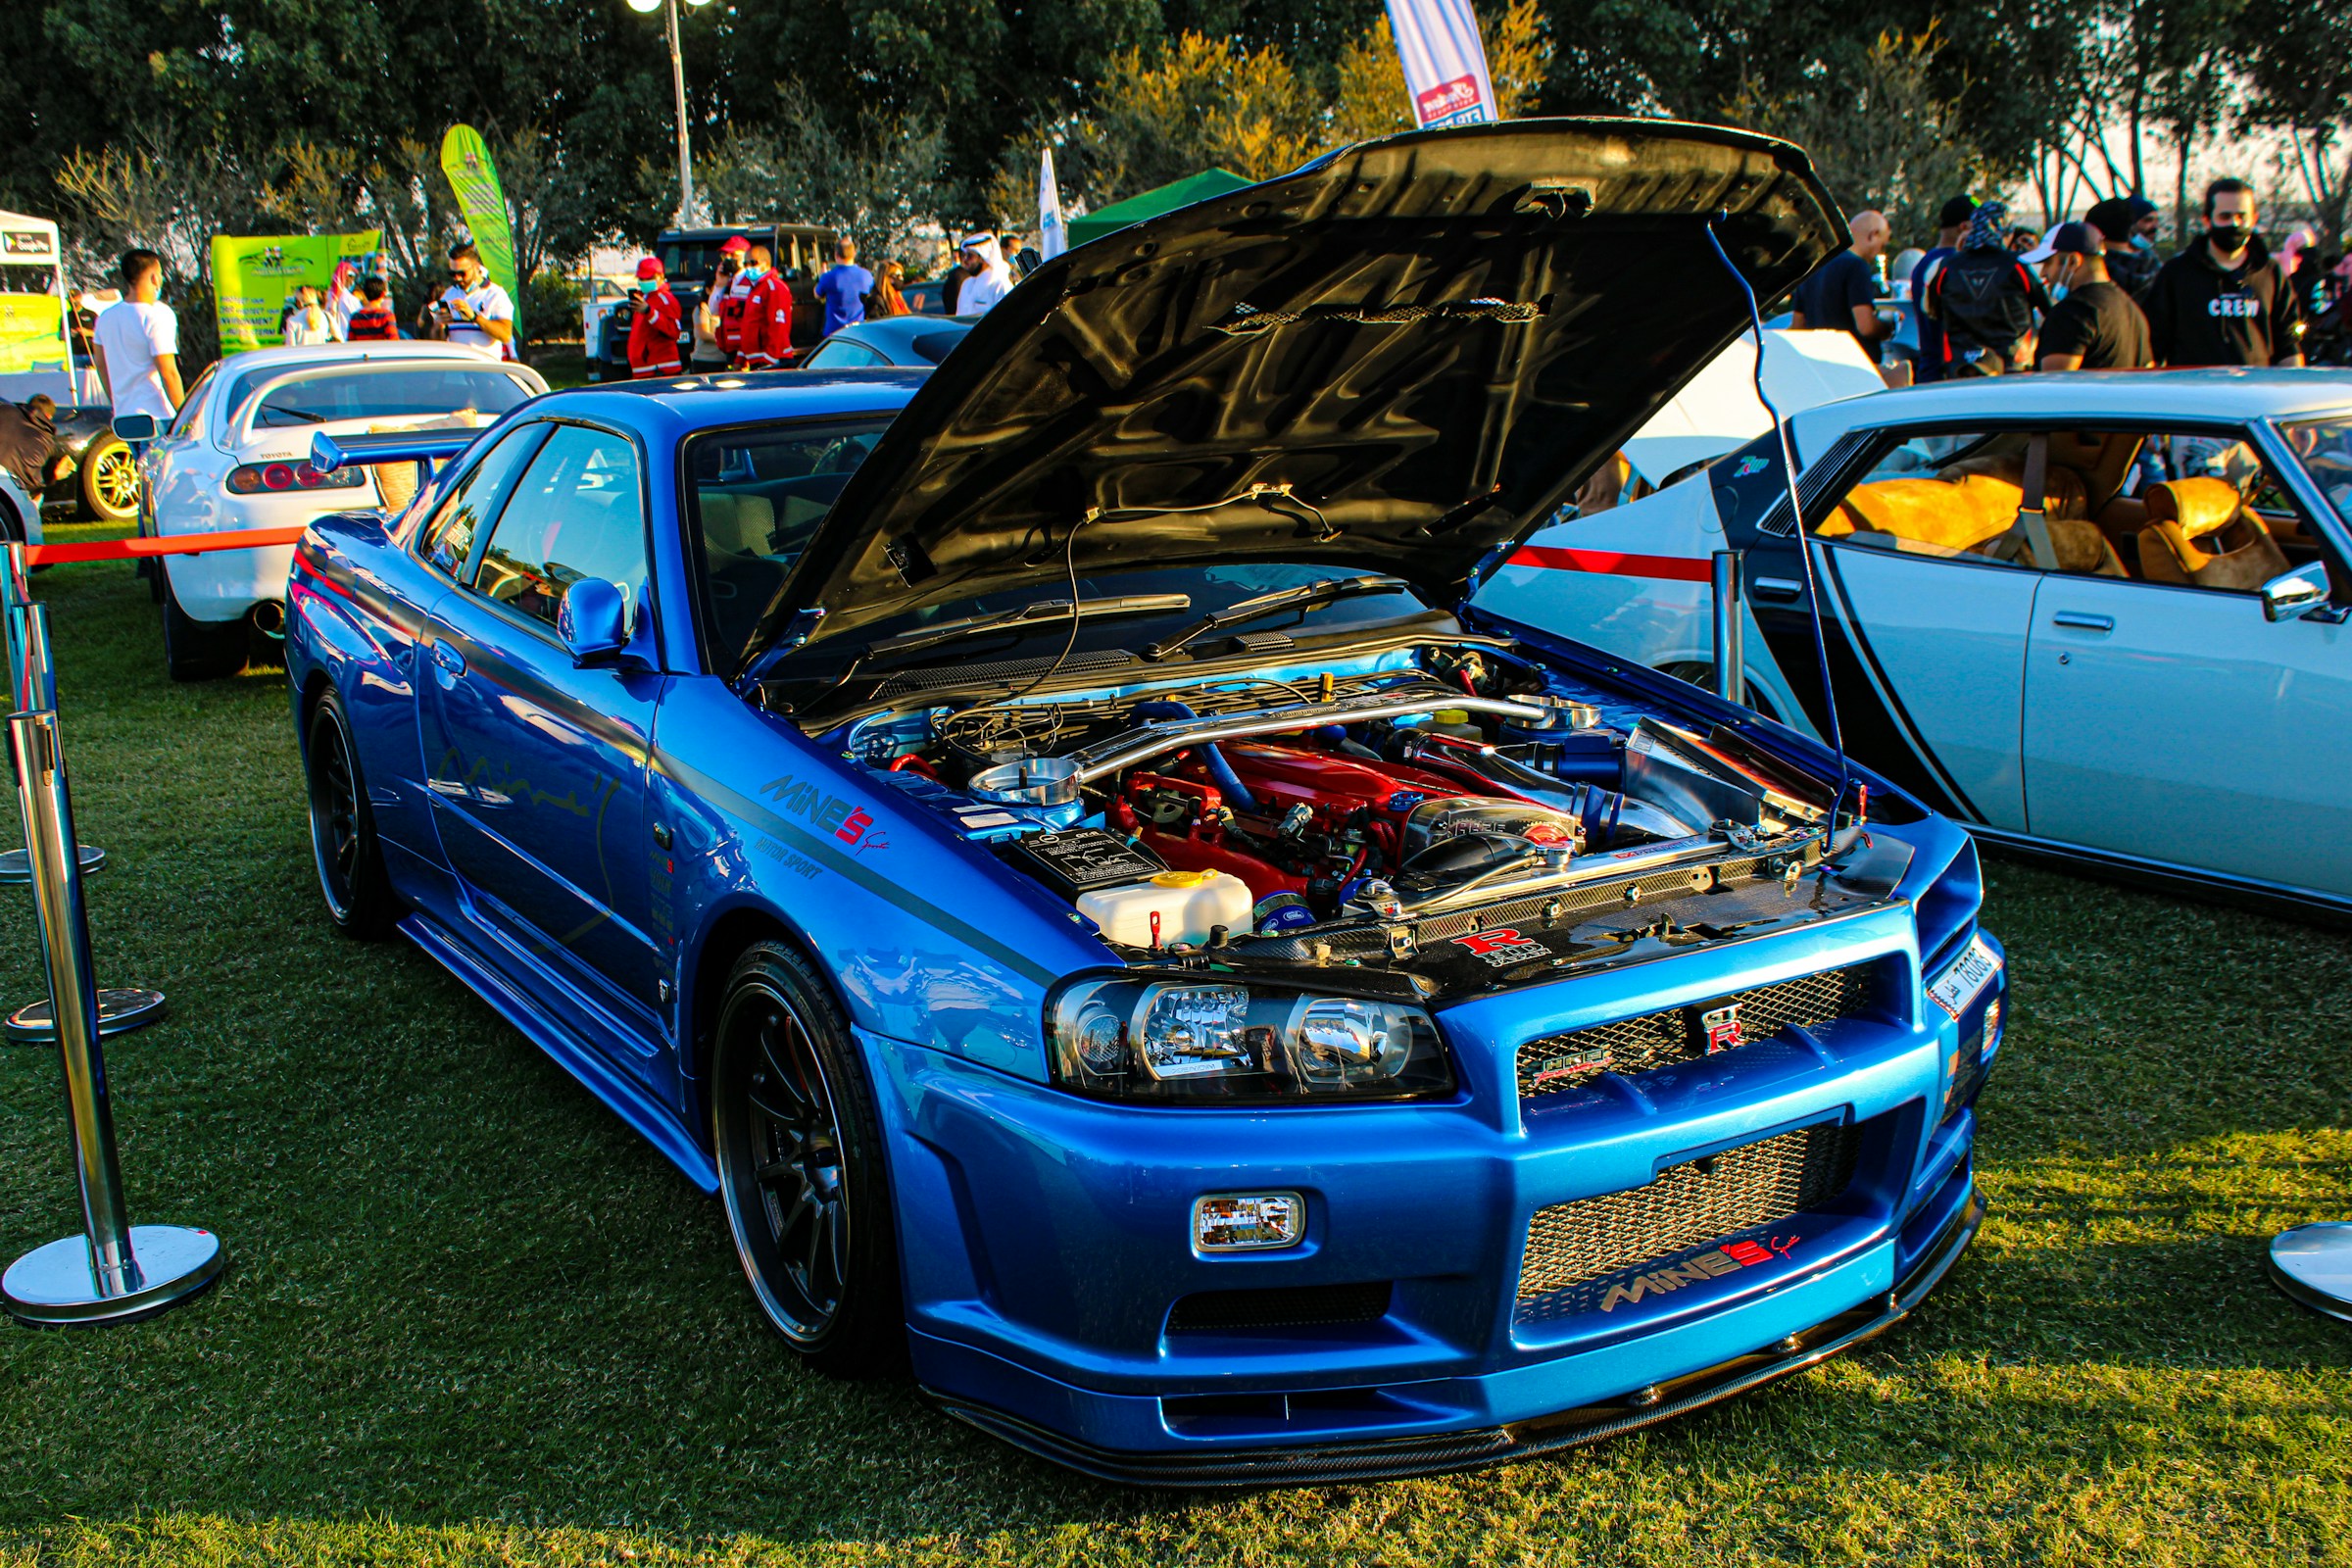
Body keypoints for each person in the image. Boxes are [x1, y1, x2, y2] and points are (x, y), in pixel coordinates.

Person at [2142, 177, 2306, 368]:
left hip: (2257, 383)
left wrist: (2292, 381)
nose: (2234, 224)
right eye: (2225, 217)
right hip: (2195, 384)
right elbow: (2153, 344)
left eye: (2242, 216)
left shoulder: (2270, 273)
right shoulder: (2177, 274)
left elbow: (2288, 344)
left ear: (2254, 219)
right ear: (2207, 220)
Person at [1926, 200, 2049, 376]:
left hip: (1961, 363)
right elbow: (2047, 309)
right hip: (2011, 362)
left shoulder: (1947, 266)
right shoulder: (2017, 265)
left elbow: (1932, 311)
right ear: (2004, 230)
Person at [2027, 221, 2152, 371]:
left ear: (2073, 261)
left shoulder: (2072, 313)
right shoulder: (2131, 310)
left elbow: (2054, 382)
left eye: (2048, 263)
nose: (2043, 273)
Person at [91, 248, 183, 419]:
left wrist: (117, 403)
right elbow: (168, 372)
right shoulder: (158, 314)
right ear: (155, 278)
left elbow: (101, 365)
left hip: (123, 417)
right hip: (157, 416)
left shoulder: (105, 317)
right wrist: (185, 417)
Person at [1790, 209, 1891, 356]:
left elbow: (1798, 326)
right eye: (1882, 246)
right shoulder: (1857, 266)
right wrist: (1888, 328)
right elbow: (1866, 327)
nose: (1879, 252)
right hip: (1853, 359)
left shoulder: (1814, 267)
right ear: (1873, 235)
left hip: (1818, 358)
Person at [1909, 196, 1976, 383]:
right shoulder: (1954, 265)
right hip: (1948, 372)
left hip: (1930, 368)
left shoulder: (1924, 262)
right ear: (1964, 227)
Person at [436, 242, 516, 360]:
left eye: (462, 273)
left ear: (476, 267)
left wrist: (475, 317)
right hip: (456, 366)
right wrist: (438, 326)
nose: (457, 278)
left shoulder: (495, 294)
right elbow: (438, 342)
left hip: (484, 366)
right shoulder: (448, 295)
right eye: (452, 274)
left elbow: (505, 334)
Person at [2085, 196, 2163, 299]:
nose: (2155, 227)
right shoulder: (2157, 270)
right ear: (2130, 225)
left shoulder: (2094, 272)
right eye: (2148, 220)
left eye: (2157, 221)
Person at [735, 244, 794, 369]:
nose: (749, 267)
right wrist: (740, 358)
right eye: (745, 264)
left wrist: (769, 360)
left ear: (766, 263)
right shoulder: (755, 289)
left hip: (772, 360)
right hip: (757, 360)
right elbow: (749, 325)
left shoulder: (774, 287)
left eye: (753, 263)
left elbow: (779, 327)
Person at [626, 256, 684, 377]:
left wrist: (649, 312)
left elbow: (674, 331)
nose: (644, 282)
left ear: (660, 276)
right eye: (641, 279)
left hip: (660, 370)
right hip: (645, 369)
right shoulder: (645, 298)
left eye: (648, 278)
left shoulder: (665, 299)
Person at [0, 394, 68, 497]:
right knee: (39, 493)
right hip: (13, 494)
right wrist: (56, 475)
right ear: (49, 417)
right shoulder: (48, 441)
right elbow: (48, 479)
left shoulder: (5, 410)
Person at [813, 236, 873, 338]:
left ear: (836, 255)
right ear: (854, 253)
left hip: (834, 334)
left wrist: (821, 277)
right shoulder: (867, 275)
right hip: (859, 333)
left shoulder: (828, 277)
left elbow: (817, 295)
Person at [713, 234, 754, 364]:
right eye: (725, 255)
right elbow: (713, 310)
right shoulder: (729, 282)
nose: (728, 259)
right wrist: (719, 286)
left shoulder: (751, 281)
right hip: (730, 348)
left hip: (746, 349)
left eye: (733, 255)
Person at [953, 231, 1013, 317]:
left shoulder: (1000, 286)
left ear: (983, 257)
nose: (965, 260)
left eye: (970, 256)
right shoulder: (967, 284)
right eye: (964, 255)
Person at [344, 276, 399, 341]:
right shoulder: (387, 316)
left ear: (365, 293)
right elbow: (393, 341)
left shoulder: (355, 317)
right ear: (383, 294)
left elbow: (351, 343)